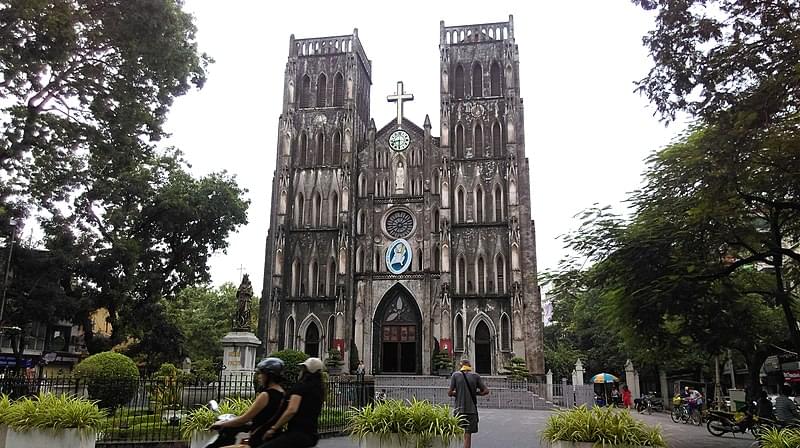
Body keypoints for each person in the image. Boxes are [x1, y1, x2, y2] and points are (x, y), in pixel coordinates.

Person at [209, 358, 286, 447]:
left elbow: (244, 419)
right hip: (272, 438)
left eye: (262, 373)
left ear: (269, 376)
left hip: (259, 439)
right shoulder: (282, 393)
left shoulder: (266, 395)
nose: (259, 376)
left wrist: (221, 424)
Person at [258, 357, 325, 448]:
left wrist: (274, 428)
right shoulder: (319, 389)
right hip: (311, 434)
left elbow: (291, 410)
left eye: (302, 369)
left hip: (296, 433)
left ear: (306, 371)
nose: (300, 371)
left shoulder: (301, 387)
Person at [448, 359, 489, 448]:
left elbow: (450, 393)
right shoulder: (475, 376)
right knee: (468, 435)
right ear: (470, 366)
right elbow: (486, 391)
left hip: (459, 410)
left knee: (456, 432)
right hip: (471, 410)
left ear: (461, 366)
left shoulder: (455, 375)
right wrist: (476, 393)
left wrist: (457, 393)